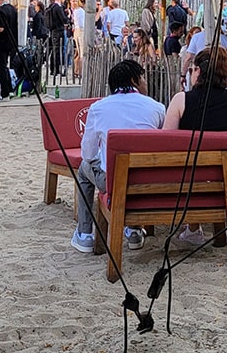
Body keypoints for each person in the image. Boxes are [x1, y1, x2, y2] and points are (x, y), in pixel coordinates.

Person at [70, 60, 165, 253]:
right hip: (149, 182)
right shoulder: (157, 107)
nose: (146, 82)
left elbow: (87, 153)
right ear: (134, 80)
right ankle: (134, 231)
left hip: (114, 183)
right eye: (143, 77)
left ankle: (85, 234)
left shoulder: (98, 108)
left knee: (83, 170)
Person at [163, 46, 227, 246]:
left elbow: (167, 142)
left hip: (190, 183)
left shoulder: (181, 100)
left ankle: (193, 228)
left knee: (190, 166)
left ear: (198, 71)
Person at [47, 0, 70, 76]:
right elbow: (63, 19)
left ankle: (53, 69)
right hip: (58, 30)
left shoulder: (51, 6)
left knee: (54, 50)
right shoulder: (58, 7)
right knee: (58, 50)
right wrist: (68, 17)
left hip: (53, 31)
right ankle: (56, 69)